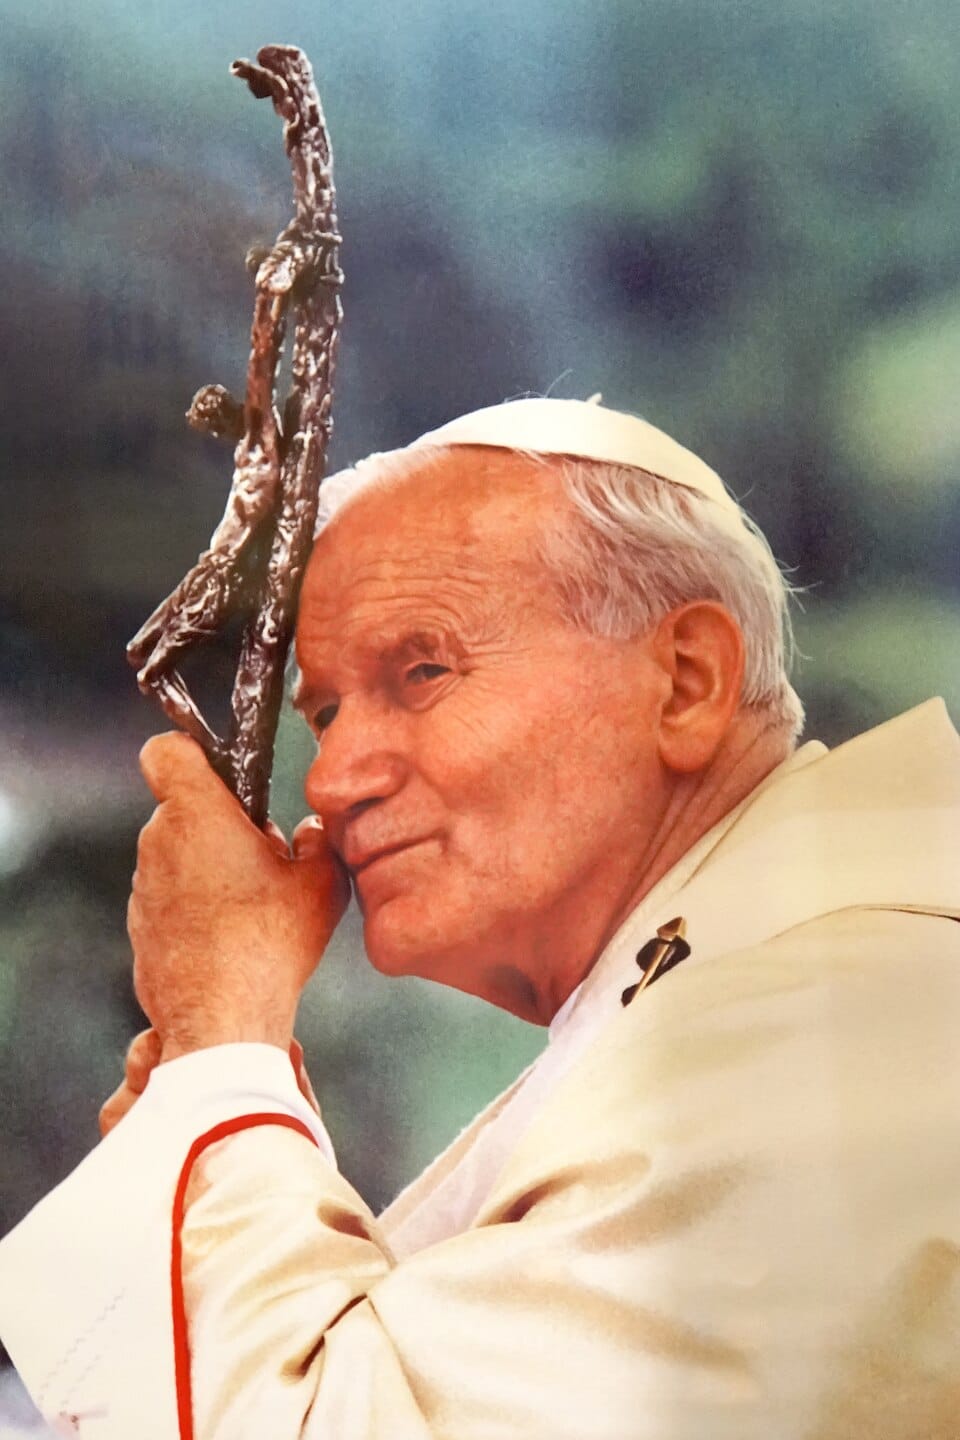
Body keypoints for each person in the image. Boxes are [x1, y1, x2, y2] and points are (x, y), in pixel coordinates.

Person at [0, 397, 957, 1439]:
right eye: (326, 713)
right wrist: (235, 1133)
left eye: (422, 672)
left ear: (686, 682)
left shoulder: (841, 1033)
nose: (331, 780)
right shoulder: (766, 992)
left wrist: (223, 1049)